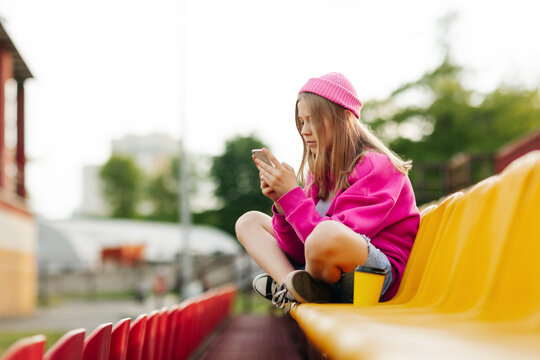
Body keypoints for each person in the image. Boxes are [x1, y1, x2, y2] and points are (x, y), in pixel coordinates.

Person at [235, 72, 420, 310]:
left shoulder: (376, 166)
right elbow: (302, 249)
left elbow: (330, 240)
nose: (305, 130)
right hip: (326, 269)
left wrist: (293, 197)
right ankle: (293, 286)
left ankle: (301, 286)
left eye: (314, 120)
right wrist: (282, 205)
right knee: (249, 222)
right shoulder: (318, 175)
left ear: (344, 119)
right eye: (302, 122)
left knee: (327, 232)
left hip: (371, 275)